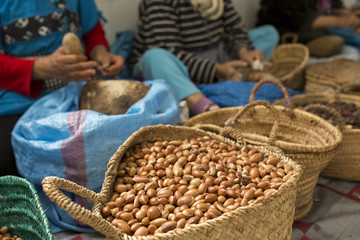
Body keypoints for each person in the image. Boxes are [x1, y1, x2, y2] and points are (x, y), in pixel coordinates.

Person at [0, 0, 125, 176]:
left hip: (79, 90)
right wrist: (40, 68)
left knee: (116, 144)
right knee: (8, 160)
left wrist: (102, 55)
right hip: (19, 100)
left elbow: (92, 34)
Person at [130, 0, 279, 117]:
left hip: (216, 53)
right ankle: (203, 106)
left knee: (269, 33)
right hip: (181, 61)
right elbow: (170, 49)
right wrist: (217, 70)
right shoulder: (159, 3)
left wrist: (244, 51)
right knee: (154, 56)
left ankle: (239, 73)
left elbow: (235, 28)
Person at [257, 0, 360, 44]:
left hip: (313, 25)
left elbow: (336, 8)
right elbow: (302, 21)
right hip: (289, 31)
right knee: (331, 36)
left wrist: (350, 16)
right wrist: (342, 21)